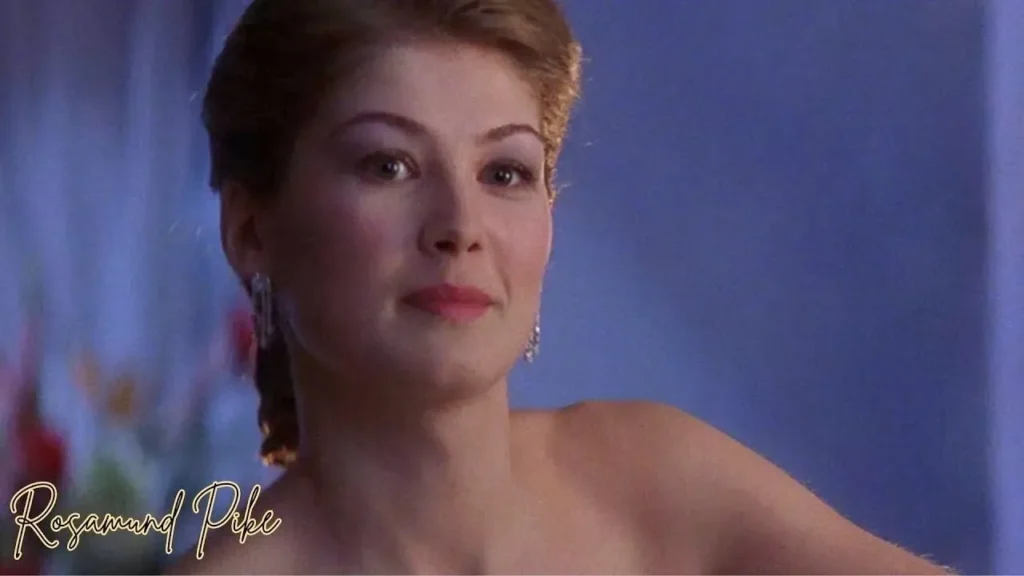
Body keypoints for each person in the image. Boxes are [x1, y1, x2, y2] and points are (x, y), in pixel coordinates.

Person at [168, 0, 951, 573]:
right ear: (251, 232)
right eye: (389, 165)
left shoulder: (656, 484)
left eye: (504, 173)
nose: (459, 226)